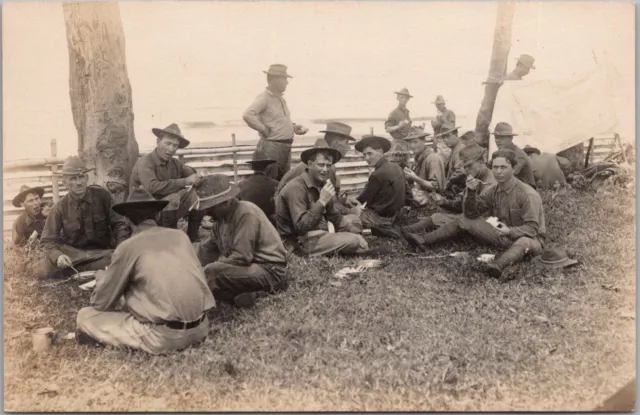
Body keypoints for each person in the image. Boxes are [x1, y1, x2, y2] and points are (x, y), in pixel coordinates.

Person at [75, 186, 215, 354]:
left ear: (127, 221)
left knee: (85, 315)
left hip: (163, 337)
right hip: (201, 328)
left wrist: (102, 279)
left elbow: (101, 303)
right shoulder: (180, 236)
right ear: (157, 215)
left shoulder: (128, 246)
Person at [402, 149, 545, 280]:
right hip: (502, 236)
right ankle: (423, 240)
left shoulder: (528, 194)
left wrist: (510, 231)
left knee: (524, 241)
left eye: (503, 167)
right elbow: (470, 214)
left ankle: (498, 266)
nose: (498, 172)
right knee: (464, 219)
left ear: (513, 169)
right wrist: (471, 192)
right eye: (495, 167)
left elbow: (532, 229)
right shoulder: (494, 190)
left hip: (529, 240)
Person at [191, 175, 289, 308]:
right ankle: (253, 295)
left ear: (225, 202)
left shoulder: (245, 212)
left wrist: (204, 272)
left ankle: (193, 308)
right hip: (249, 270)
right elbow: (206, 251)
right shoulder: (220, 222)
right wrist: (188, 265)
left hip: (270, 270)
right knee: (209, 277)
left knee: (212, 272)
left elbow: (241, 257)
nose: (207, 212)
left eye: (210, 207)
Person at [276, 141, 378, 257]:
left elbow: (334, 216)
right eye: (321, 165)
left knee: (354, 223)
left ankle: (348, 240)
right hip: (296, 242)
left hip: (315, 232)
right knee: (353, 241)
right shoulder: (295, 187)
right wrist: (322, 201)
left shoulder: (322, 183)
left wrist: (354, 231)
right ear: (309, 164)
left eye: (328, 165)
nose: (325, 170)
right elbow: (301, 227)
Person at [39, 156, 130, 279]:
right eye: (73, 178)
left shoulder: (102, 196)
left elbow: (120, 224)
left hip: (101, 253)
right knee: (45, 268)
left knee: (120, 259)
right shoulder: (59, 208)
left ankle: (79, 272)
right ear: (65, 182)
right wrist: (58, 256)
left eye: (81, 177)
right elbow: (47, 240)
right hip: (74, 256)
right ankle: (94, 270)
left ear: (87, 178)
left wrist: (121, 249)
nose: (79, 182)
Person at [129, 123, 205, 241]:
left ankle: (192, 238)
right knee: (173, 197)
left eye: (175, 145)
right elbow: (152, 187)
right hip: (144, 215)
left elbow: (190, 173)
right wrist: (185, 181)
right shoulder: (145, 163)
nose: (171, 149)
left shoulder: (174, 163)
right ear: (158, 141)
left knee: (197, 196)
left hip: (165, 211)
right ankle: (169, 240)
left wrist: (196, 176)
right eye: (168, 143)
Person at [401, 145, 496, 237]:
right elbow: (461, 205)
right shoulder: (476, 177)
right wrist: (443, 202)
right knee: (436, 217)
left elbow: (473, 214)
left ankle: (411, 234)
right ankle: (405, 231)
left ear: (481, 162)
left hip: (483, 224)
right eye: (464, 166)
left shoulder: (489, 183)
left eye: (469, 166)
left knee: (441, 219)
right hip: (472, 219)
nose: (466, 170)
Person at [243, 64, 308, 180]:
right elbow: (248, 115)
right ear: (274, 79)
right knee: (271, 181)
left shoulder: (280, 99)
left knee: (283, 182)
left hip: (285, 148)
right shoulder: (264, 98)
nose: (287, 83)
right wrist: (263, 129)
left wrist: (293, 127)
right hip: (272, 148)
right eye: (284, 79)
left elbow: (278, 121)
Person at [346, 135, 406, 230]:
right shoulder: (397, 167)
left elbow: (362, 200)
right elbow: (408, 194)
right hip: (399, 216)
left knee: (350, 217)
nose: (367, 158)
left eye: (370, 153)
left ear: (380, 152)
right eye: (364, 155)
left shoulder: (376, 174)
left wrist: (348, 200)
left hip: (382, 219)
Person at [238, 150, 279, 224]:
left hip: (248, 224)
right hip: (269, 225)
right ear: (267, 167)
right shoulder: (276, 185)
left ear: (252, 167)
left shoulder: (241, 185)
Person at [491, 122, 537, 188]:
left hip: (526, 192)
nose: (498, 141)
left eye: (502, 137)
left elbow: (507, 175)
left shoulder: (518, 155)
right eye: (496, 137)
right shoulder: (500, 153)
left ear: (511, 138)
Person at [402, 128, 445, 195]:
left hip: (433, 202)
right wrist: (409, 177)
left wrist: (415, 178)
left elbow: (435, 187)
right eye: (410, 142)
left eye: (415, 142)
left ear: (424, 141)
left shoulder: (432, 159)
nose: (412, 146)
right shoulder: (418, 157)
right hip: (421, 198)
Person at [437, 123, 466, 194]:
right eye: (443, 137)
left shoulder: (459, 150)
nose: (445, 140)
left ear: (456, 135)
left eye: (447, 136)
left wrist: (447, 184)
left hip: (459, 190)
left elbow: (460, 172)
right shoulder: (454, 150)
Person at [385, 88, 414, 153]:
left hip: (407, 144)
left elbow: (406, 129)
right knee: (397, 162)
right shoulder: (394, 113)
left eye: (406, 98)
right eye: (402, 97)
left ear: (408, 100)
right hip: (398, 145)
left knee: (406, 162)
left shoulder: (407, 112)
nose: (404, 99)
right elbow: (387, 129)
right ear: (397, 98)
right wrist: (398, 126)